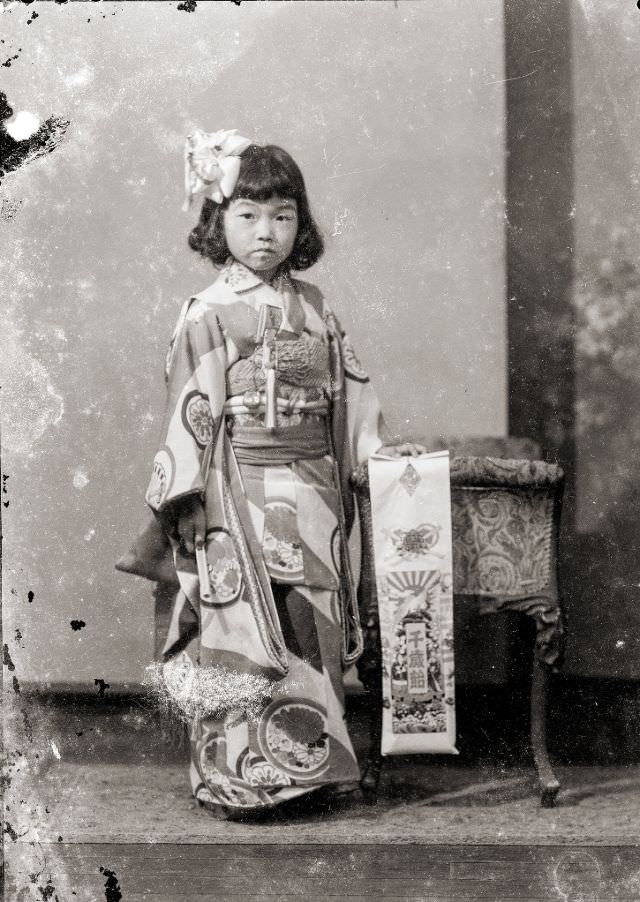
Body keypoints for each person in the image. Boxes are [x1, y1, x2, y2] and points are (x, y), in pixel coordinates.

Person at [144, 128, 423, 817]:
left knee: (312, 624)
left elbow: (352, 395)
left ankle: (310, 772)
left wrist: (375, 457)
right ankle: (239, 779)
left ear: (301, 222)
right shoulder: (206, 313)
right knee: (244, 636)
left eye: (283, 215)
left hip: (314, 487)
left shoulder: (317, 308)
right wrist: (188, 499)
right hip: (236, 490)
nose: (266, 233)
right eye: (247, 215)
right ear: (217, 221)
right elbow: (193, 407)